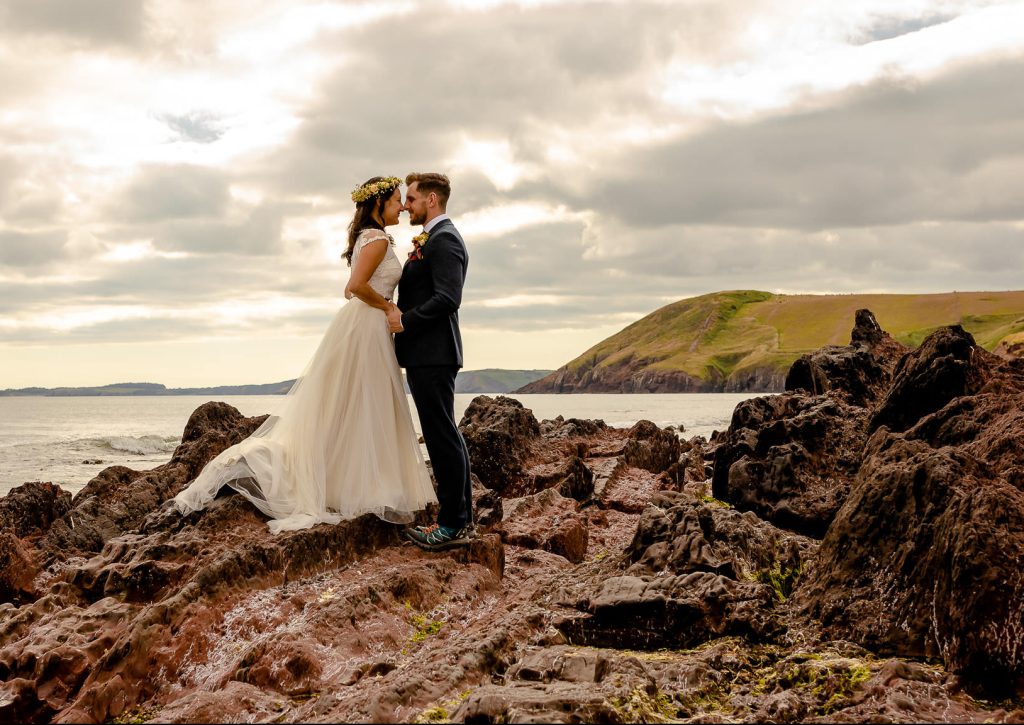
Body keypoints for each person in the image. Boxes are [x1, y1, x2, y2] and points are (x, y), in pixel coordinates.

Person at [173, 176, 437, 533]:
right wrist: (389, 307)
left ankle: (354, 480)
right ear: (377, 205)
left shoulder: (369, 238)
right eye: (394, 202)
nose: (401, 208)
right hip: (367, 327)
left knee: (357, 404)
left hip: (367, 327)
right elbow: (353, 288)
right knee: (366, 402)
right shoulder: (374, 239)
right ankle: (362, 485)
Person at [386, 173, 474, 551]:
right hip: (428, 355)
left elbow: (448, 298)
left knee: (441, 438)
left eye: (411, 199)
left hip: (434, 354)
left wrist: (405, 319)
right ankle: (459, 519)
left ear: (432, 200)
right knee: (445, 435)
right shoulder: (433, 238)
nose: (406, 206)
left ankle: (451, 526)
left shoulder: (445, 240)